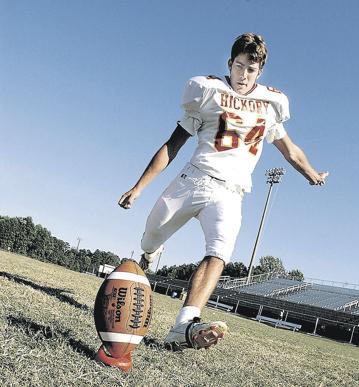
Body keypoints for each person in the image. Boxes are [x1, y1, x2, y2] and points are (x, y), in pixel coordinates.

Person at [118, 33, 328, 352]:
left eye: (251, 69)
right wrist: (138, 187)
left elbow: (290, 149)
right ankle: (150, 253)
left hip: (231, 192)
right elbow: (172, 145)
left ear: (260, 73)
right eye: (239, 66)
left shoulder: (270, 105)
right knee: (150, 237)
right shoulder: (207, 92)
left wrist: (311, 172)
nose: (243, 75)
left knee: (219, 253)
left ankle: (184, 323)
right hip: (193, 179)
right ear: (230, 63)